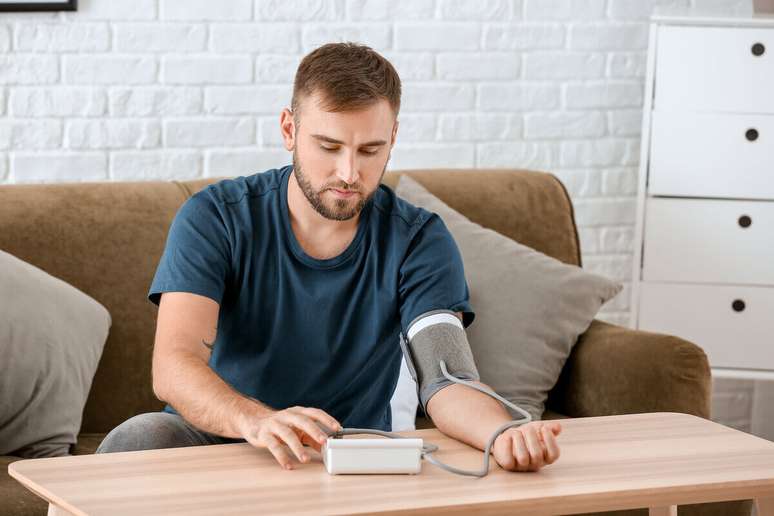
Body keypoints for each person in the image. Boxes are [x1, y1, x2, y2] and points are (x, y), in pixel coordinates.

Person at [96, 42, 561, 472]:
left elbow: (447, 381)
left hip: (345, 452)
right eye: (329, 147)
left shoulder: (420, 240)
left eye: (370, 150)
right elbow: (174, 366)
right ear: (288, 129)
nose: (348, 173)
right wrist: (257, 421)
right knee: (140, 436)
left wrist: (503, 434)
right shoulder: (214, 217)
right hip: (221, 436)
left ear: (393, 138)